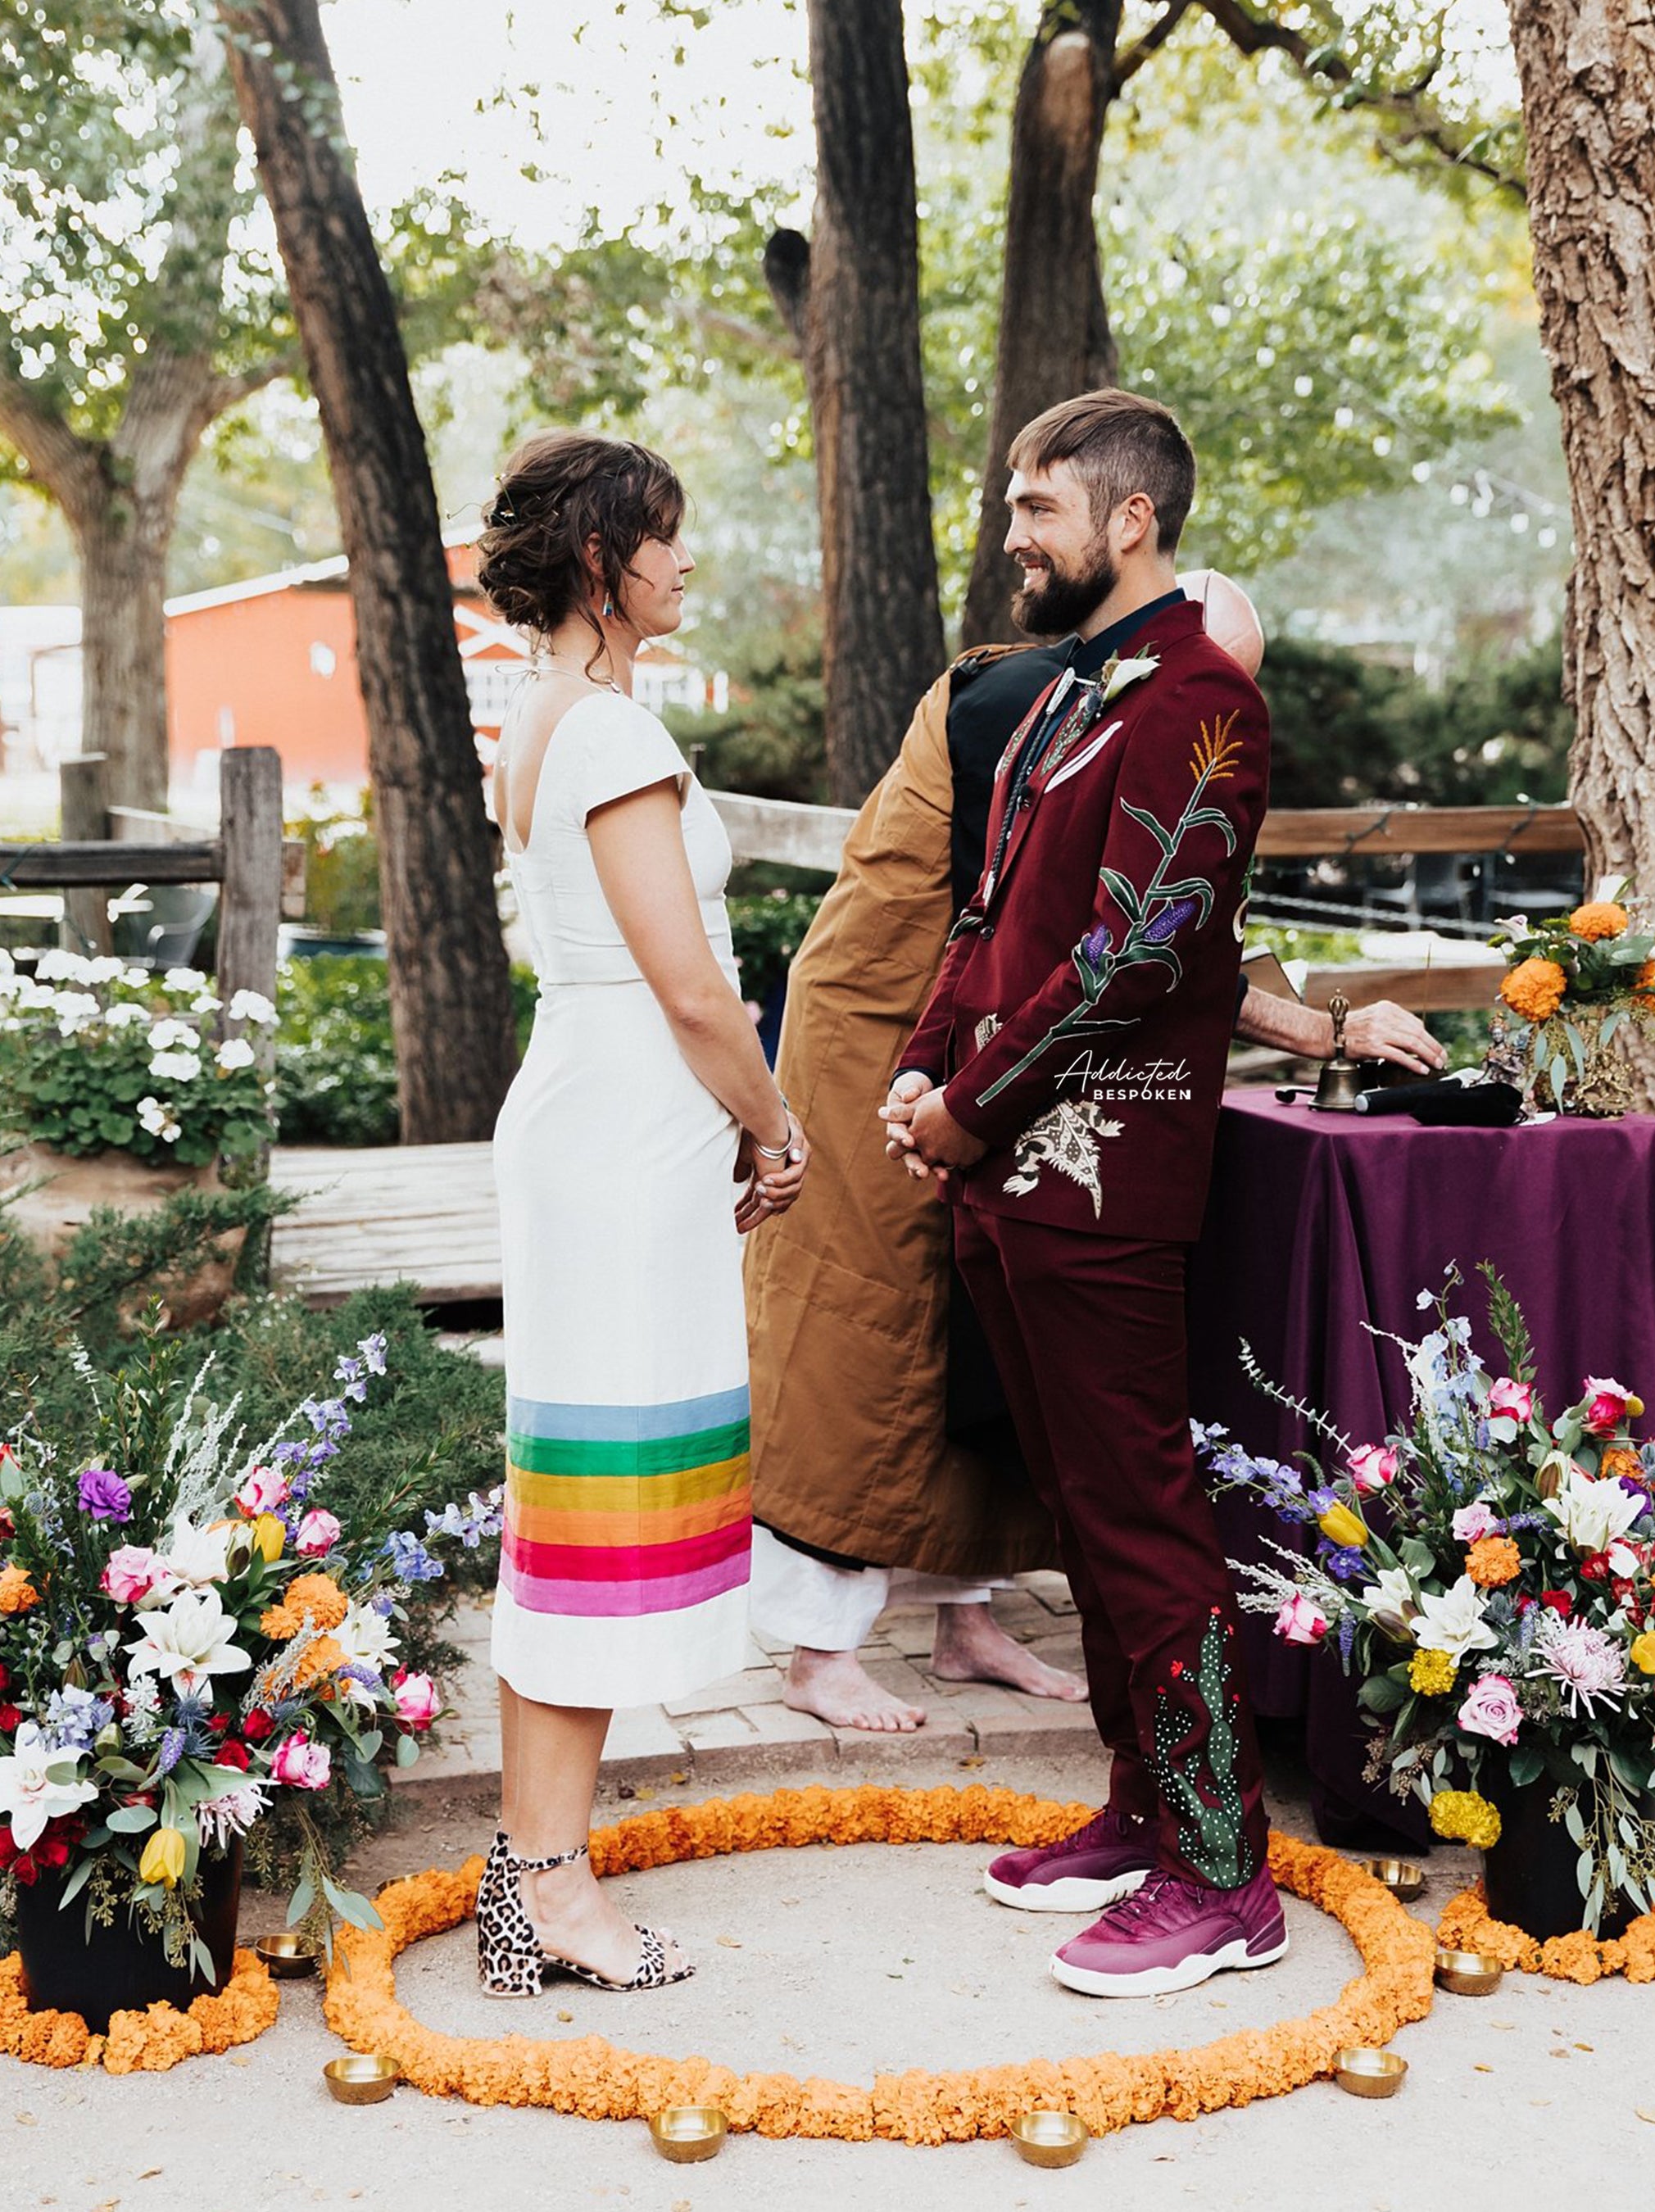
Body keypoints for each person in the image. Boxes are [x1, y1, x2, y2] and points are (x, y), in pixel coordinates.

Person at [746, 576, 1441, 1734]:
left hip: (987, 1041)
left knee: (988, 1329)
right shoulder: (1030, 707)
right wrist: (1319, 1030)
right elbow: (1136, 936)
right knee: (872, 1337)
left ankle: (964, 1619)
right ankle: (816, 1648)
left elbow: (1161, 910)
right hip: (881, 1027)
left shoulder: (1135, 704)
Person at [885, 388, 1286, 1999]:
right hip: (1000, 1168)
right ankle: (1137, 1808)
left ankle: (1217, 1872)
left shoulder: (1199, 699)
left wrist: (971, 1110)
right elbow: (989, 915)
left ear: (1126, 520)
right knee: (1077, 1507)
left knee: (1135, 1507)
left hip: (1104, 1169)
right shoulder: (1069, 698)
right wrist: (924, 1073)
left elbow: (1136, 954)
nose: (1011, 537)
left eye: (1034, 508)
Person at [474, 429, 809, 1997]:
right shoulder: (606, 735)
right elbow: (691, 986)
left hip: (603, 1120)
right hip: (625, 1127)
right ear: (604, 558)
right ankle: (547, 1887)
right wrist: (774, 1124)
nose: (687, 564)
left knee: (586, 1514)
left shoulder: (549, 716)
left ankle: (530, 1873)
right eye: (665, 538)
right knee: (593, 1524)